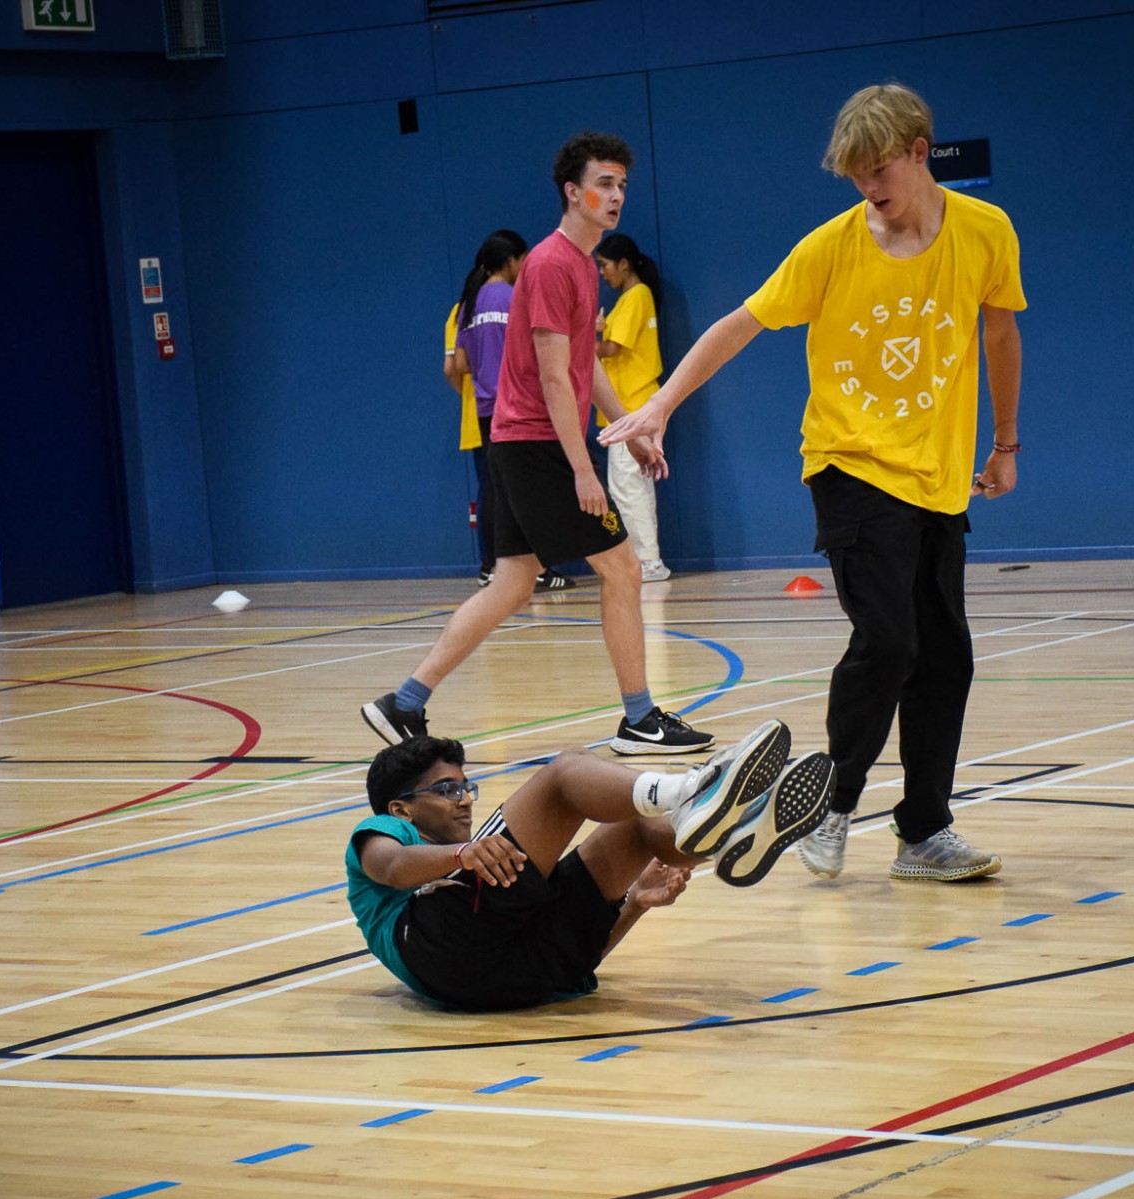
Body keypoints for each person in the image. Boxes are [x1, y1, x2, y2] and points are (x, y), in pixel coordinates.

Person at [601, 83, 1025, 882]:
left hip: (938, 478)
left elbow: (999, 332)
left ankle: (924, 833)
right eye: (855, 175)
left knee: (946, 657)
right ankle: (830, 806)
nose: (868, 187)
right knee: (889, 641)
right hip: (849, 464)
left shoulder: (985, 231)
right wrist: (660, 404)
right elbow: (739, 325)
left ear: (919, 152)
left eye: (879, 170)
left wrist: (1004, 442)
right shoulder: (830, 247)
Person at [367, 132, 715, 757]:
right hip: (536, 445)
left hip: (520, 443)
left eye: (623, 185)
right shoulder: (554, 264)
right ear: (572, 192)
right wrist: (583, 468)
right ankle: (640, 719)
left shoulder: (580, 264)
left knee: (512, 583)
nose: (617, 196)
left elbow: (586, 364)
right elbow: (555, 378)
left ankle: (405, 702)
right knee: (623, 568)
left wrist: (629, 429)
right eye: (605, 184)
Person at [346, 719, 833, 1010]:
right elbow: (393, 867)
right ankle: (693, 789)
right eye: (447, 790)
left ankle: (735, 836)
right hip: (433, 949)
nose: (465, 800)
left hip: (517, 981)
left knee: (635, 829)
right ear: (401, 808)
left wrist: (633, 905)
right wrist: (460, 854)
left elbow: (570, 956)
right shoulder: (385, 833)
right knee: (564, 775)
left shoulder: (477, 867)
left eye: (465, 787)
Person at [448, 230, 574, 593]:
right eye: (523, 260)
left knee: (493, 489)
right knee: (530, 491)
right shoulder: (515, 297)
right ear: (511, 261)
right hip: (520, 408)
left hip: (486, 410)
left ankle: (492, 567)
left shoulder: (468, 304)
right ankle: (537, 569)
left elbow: (460, 364)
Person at [595, 233, 671, 582]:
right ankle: (647, 560)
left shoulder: (635, 296)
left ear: (623, 264)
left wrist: (584, 338)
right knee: (632, 486)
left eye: (604, 265)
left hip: (631, 406)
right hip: (631, 405)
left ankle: (648, 562)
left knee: (629, 487)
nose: (602, 273)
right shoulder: (634, 298)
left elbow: (611, 349)